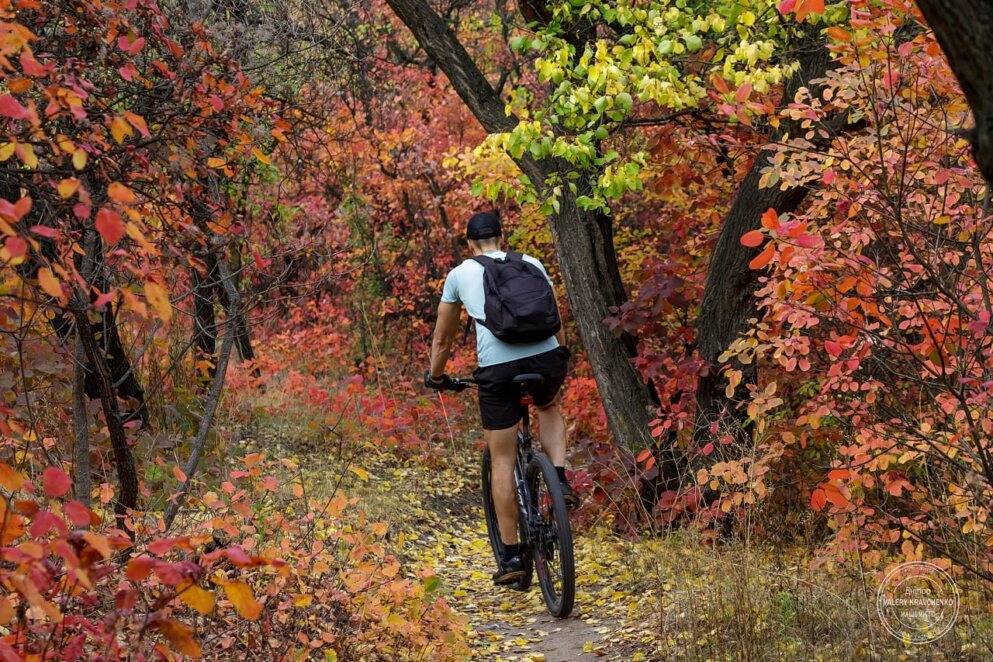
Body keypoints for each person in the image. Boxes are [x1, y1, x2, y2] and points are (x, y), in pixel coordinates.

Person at [424, 211, 577, 585]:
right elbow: (552, 318)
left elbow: (443, 339)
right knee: (549, 405)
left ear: (470, 243)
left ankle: (511, 558)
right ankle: (559, 477)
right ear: (501, 237)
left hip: (499, 372)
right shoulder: (531, 262)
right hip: (547, 359)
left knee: (503, 459)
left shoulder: (460, 274)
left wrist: (438, 375)